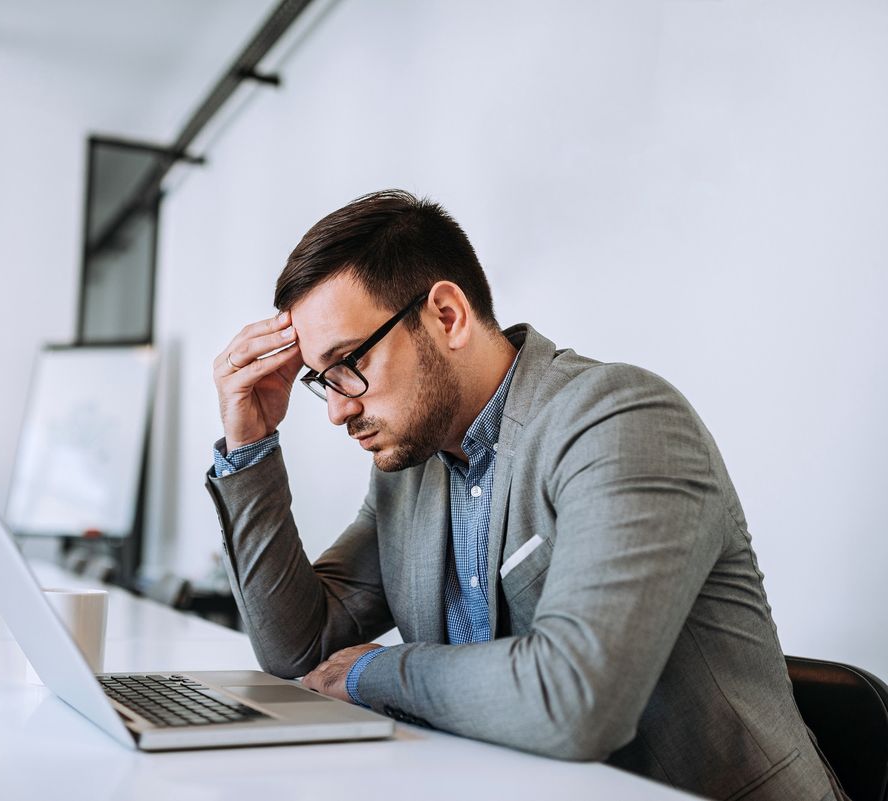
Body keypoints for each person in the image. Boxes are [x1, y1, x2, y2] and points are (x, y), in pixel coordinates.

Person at [204, 190, 845, 801]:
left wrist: (376, 671)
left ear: (446, 316)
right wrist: (250, 440)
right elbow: (300, 648)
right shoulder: (410, 470)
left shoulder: (620, 419)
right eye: (324, 380)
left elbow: (575, 699)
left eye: (350, 364)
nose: (338, 411)